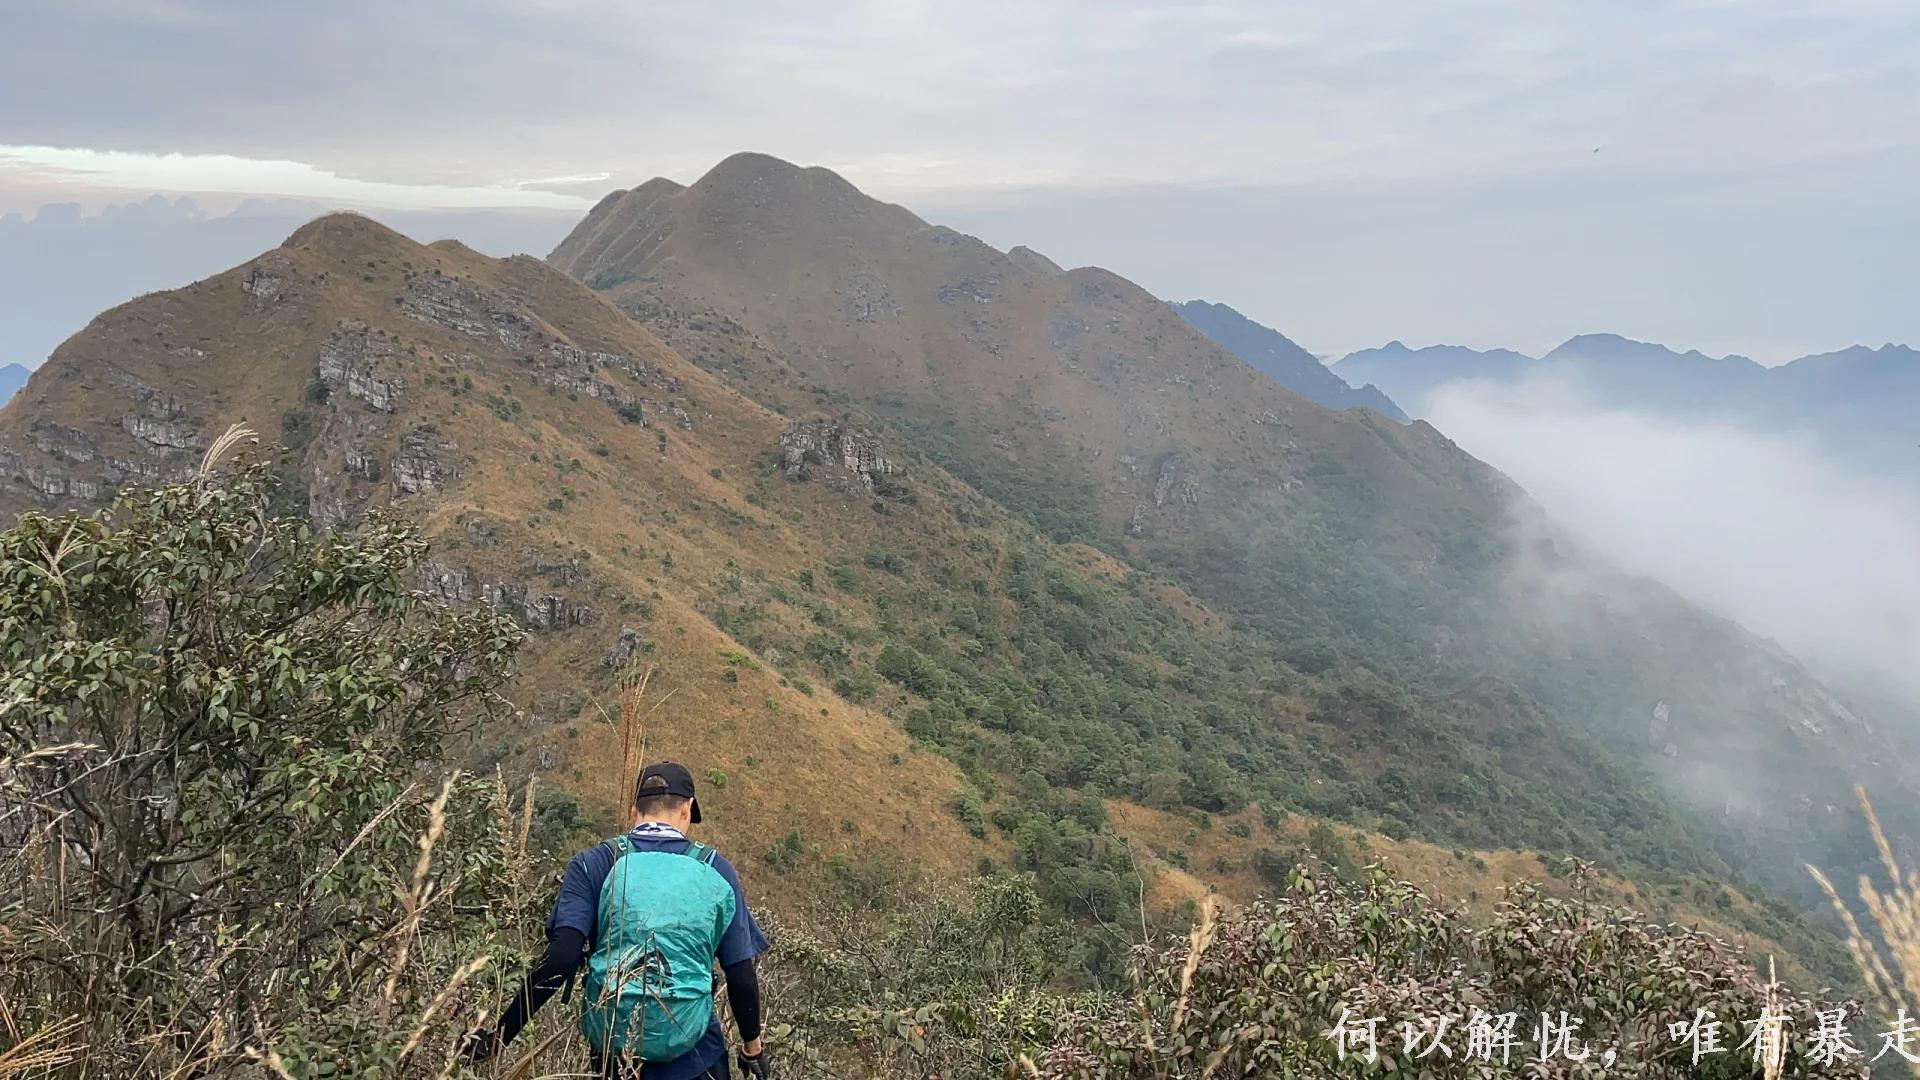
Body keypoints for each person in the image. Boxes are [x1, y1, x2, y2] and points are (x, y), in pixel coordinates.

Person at [464, 761, 770, 1078]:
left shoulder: (594, 863)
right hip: (697, 1059)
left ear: (633, 810)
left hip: (614, 1056)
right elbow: (740, 974)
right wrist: (752, 1048)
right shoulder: (716, 869)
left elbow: (561, 959)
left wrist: (499, 1038)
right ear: (687, 810)